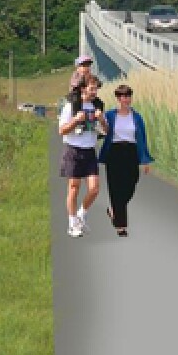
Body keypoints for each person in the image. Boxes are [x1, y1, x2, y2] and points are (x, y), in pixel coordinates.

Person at [97, 84, 154, 237]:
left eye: (127, 96)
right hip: (114, 152)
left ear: (130, 98)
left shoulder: (136, 117)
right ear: (117, 98)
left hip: (131, 152)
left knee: (131, 184)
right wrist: (101, 121)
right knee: (115, 188)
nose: (124, 99)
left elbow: (142, 139)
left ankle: (114, 210)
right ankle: (120, 226)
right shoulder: (109, 115)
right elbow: (102, 132)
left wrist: (145, 160)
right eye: (121, 96)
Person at [58, 77, 107, 237]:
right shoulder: (70, 106)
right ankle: (72, 224)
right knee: (74, 188)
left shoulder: (97, 106)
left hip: (89, 151)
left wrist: (101, 119)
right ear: (82, 89)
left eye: (96, 89)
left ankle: (81, 215)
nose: (94, 92)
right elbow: (62, 131)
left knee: (94, 189)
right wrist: (75, 120)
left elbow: (106, 131)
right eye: (91, 89)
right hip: (73, 150)